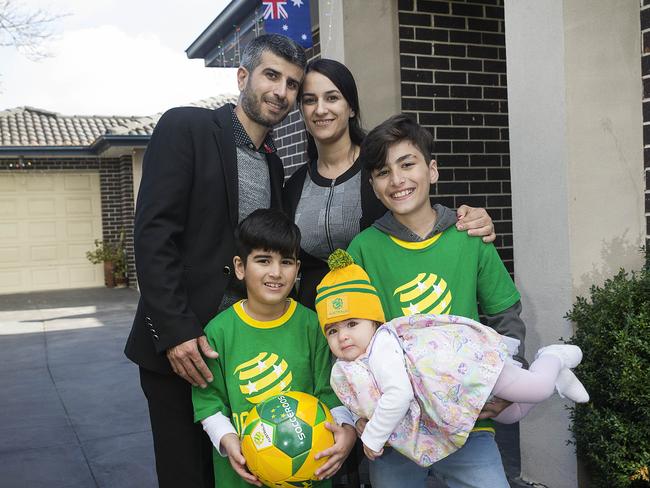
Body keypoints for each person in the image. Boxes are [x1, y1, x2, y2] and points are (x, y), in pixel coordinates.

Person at [124, 35, 312, 488]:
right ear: (243, 76)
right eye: (271, 75)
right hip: (181, 353)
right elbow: (154, 235)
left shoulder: (273, 164)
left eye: (291, 84)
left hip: (241, 353)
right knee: (187, 476)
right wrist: (176, 333)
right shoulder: (186, 128)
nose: (280, 92)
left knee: (247, 473)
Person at [345, 114, 533, 487]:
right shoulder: (363, 250)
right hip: (397, 430)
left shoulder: (468, 237)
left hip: (468, 425)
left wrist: (508, 384)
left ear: (432, 170)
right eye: (383, 171)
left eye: (408, 164)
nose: (397, 180)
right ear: (373, 185)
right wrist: (358, 410)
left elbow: (504, 315)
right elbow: (348, 338)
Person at [316, 249, 589, 470]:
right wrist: (361, 420)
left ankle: (552, 356)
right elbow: (363, 399)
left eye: (352, 323)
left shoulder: (382, 345)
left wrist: (374, 436)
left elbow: (398, 394)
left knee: (536, 389)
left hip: (471, 370)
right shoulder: (351, 366)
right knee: (512, 413)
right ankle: (558, 378)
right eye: (332, 330)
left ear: (374, 323)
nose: (343, 336)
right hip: (458, 389)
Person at [283, 59, 497, 310]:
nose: (320, 109)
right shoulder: (295, 185)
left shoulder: (383, 167)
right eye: (310, 100)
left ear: (351, 107)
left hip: (387, 314)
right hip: (315, 315)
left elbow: (429, 218)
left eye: (332, 98)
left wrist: (474, 218)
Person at [192, 209, 357, 487]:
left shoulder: (312, 325)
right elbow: (208, 402)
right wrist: (228, 440)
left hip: (310, 474)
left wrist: (345, 430)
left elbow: (332, 393)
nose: (276, 272)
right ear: (240, 267)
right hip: (243, 477)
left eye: (287, 262)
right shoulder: (218, 332)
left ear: (298, 269)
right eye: (263, 260)